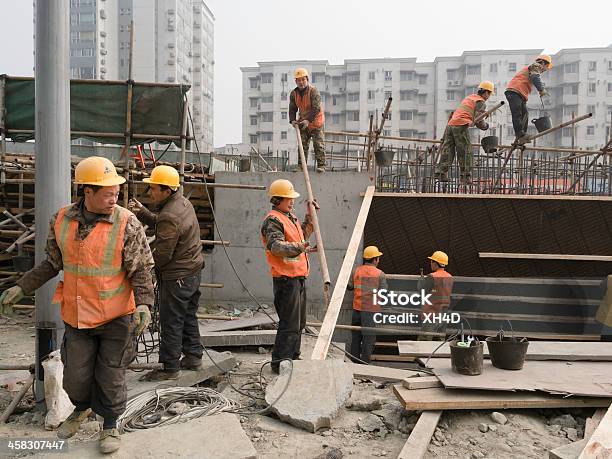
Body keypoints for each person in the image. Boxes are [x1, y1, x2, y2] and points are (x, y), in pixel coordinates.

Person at [0, 156, 154, 454]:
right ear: (87, 192)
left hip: (116, 317)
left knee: (110, 376)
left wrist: (145, 304)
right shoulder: (61, 220)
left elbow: (142, 269)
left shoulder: (126, 222)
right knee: (75, 377)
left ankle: (109, 424)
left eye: (116, 191)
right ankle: (82, 409)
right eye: (108, 192)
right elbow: (52, 264)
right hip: (77, 316)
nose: (115, 198)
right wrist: (22, 286)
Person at [128, 165, 205, 381]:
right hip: (192, 272)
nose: (150, 192)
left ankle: (170, 368)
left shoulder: (170, 214)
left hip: (178, 277)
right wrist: (144, 214)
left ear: (166, 190)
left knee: (171, 321)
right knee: (188, 315)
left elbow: (162, 254)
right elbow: (164, 223)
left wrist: (146, 272)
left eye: (153, 188)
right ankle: (193, 356)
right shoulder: (181, 203)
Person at [260, 179, 316, 373]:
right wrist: (302, 247)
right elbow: (277, 247)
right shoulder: (273, 220)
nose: (292, 202)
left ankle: (293, 358)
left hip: (298, 278)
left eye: (292, 198)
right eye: (288, 198)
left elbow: (303, 237)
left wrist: (311, 216)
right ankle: (280, 363)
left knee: (299, 324)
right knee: (289, 324)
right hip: (286, 280)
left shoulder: (289, 217)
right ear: (277, 199)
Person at [435, 81, 494, 183]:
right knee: (466, 151)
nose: (488, 97)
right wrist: (485, 127)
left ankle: (441, 173)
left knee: (448, 149)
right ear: (486, 92)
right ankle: (465, 176)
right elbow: (478, 120)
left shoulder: (470, 98)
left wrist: (481, 116)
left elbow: (471, 113)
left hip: (451, 124)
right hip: (461, 125)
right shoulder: (480, 101)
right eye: (489, 94)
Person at [347, 246, 387, 363]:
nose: (379, 260)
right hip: (370, 311)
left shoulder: (356, 271)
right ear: (374, 259)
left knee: (355, 338)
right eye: (378, 258)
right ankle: (364, 363)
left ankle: (354, 362)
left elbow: (349, 287)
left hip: (357, 310)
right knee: (368, 339)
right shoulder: (380, 274)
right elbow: (384, 292)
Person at [505, 54, 553, 145]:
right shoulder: (536, 66)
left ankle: (522, 136)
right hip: (514, 91)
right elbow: (535, 77)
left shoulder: (532, 68)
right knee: (517, 113)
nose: (544, 70)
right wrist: (541, 90)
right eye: (545, 67)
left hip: (519, 93)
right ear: (542, 62)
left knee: (525, 114)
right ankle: (520, 134)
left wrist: (541, 89)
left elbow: (534, 78)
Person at [289, 67, 326, 172]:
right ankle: (301, 166)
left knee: (318, 145)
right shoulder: (294, 94)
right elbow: (292, 108)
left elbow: (316, 108)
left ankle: (321, 166)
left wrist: (308, 120)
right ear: (295, 81)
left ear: (307, 79)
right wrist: (292, 120)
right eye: (298, 80)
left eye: (303, 79)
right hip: (303, 121)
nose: (301, 82)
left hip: (316, 122)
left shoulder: (313, 91)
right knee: (302, 145)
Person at [417, 251, 454, 341]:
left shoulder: (432, 276)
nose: (431, 264)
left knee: (424, 341)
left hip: (431, 314)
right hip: (443, 314)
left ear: (435, 263)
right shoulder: (450, 277)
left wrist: (421, 280)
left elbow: (421, 290)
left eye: (432, 261)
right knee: (440, 342)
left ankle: (422, 355)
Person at [596, 275, 612, 342]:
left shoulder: (610, 278)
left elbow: (599, 292)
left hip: (608, 320)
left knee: (606, 345)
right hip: (607, 320)